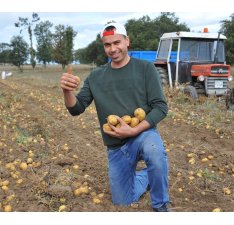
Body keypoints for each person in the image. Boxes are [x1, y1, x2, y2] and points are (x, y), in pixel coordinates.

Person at [60, 22, 170, 212]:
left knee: (154, 152)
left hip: (143, 135)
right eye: (107, 45)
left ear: (127, 41)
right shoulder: (96, 76)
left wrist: (134, 129)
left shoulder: (145, 68)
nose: (113, 49)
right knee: (122, 202)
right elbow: (76, 109)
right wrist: (67, 91)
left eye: (117, 42)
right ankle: (147, 177)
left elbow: (160, 107)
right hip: (116, 146)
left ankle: (160, 207)